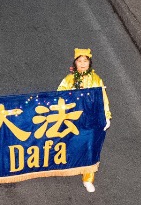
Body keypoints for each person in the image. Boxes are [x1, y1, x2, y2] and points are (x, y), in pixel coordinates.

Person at [57, 48, 111, 193]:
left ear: (89, 63)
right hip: (73, 120)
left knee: (90, 147)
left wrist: (106, 115)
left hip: (90, 120)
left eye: (85, 61)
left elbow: (102, 98)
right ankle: (70, 166)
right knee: (72, 144)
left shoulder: (96, 80)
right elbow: (59, 97)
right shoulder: (68, 80)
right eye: (79, 61)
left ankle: (88, 178)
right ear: (75, 63)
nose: (82, 64)